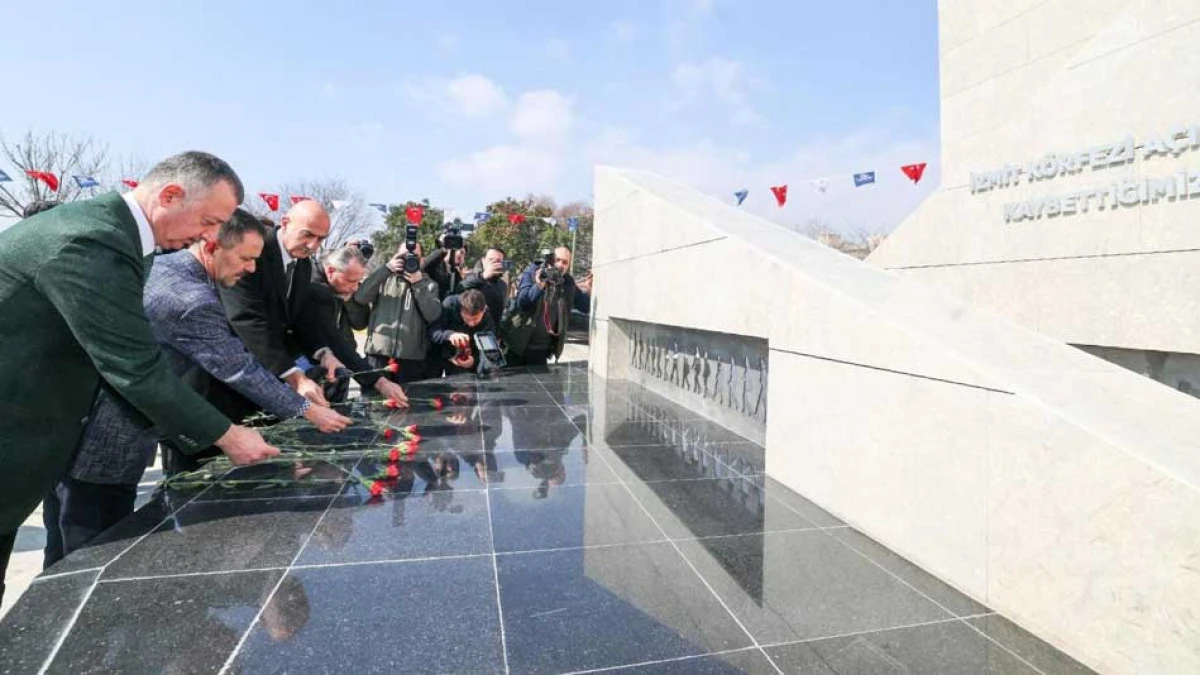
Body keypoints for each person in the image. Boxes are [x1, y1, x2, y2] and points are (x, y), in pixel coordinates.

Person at [0, 151, 279, 603]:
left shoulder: (120, 237)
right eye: (209, 221)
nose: (210, 237)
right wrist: (229, 436)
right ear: (170, 195)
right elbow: (135, 366)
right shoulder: (95, 241)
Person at [43, 211, 352, 566]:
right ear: (211, 245)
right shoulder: (187, 298)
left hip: (78, 435)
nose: (252, 269)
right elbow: (237, 367)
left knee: (60, 554)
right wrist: (308, 410)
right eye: (247, 258)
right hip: (103, 447)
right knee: (86, 559)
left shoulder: (166, 269)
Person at [220, 199, 347, 412]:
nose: (313, 246)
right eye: (307, 234)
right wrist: (294, 376)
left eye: (320, 239)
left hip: (269, 372)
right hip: (232, 369)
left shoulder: (303, 264)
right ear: (285, 223)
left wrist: (323, 353)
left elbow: (299, 317)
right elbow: (246, 318)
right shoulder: (254, 250)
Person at [309, 245, 409, 404]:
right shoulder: (314, 289)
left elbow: (358, 324)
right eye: (351, 281)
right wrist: (379, 381)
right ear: (331, 271)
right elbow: (334, 340)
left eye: (358, 282)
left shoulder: (334, 288)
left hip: (334, 363)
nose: (355, 288)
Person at [351, 243, 443, 384]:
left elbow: (433, 315)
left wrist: (418, 284)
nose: (409, 259)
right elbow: (360, 297)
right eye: (404, 256)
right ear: (396, 256)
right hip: (378, 355)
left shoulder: (429, 285)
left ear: (422, 260)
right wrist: (386, 269)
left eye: (415, 257)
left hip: (411, 360)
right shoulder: (384, 278)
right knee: (374, 402)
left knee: (408, 403)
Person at [505, 246, 592, 366]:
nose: (560, 264)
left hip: (541, 349)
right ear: (550, 259)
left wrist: (591, 289)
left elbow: (585, 306)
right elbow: (522, 303)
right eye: (558, 259)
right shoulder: (533, 272)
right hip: (518, 345)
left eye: (565, 262)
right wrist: (538, 286)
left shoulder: (568, 283)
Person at [429, 289, 496, 376]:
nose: (471, 323)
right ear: (460, 310)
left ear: (484, 310)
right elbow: (432, 331)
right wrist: (449, 335)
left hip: (469, 359)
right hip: (441, 354)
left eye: (475, 319)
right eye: (467, 319)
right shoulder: (449, 306)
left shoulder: (487, 320)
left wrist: (474, 361)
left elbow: (489, 353)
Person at [460, 246, 508, 327]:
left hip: (491, 332)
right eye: (491, 260)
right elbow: (461, 287)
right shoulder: (472, 277)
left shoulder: (502, 285)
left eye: (499, 261)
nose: (495, 263)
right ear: (483, 260)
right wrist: (483, 276)